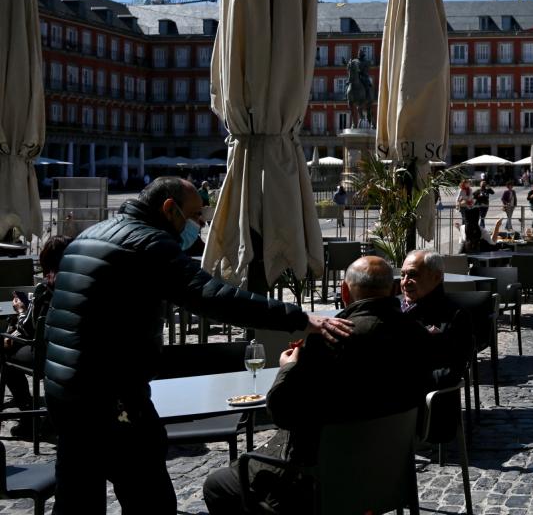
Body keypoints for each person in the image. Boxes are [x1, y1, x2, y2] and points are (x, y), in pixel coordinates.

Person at [44, 177, 353, 514]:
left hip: (63, 389)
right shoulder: (149, 243)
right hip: (112, 396)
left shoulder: (88, 237)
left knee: (76, 496)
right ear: (169, 208)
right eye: (194, 215)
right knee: (150, 498)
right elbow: (213, 297)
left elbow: (58, 320)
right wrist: (299, 318)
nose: (200, 224)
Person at [202, 256, 435, 514]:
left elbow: (282, 413)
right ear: (392, 290)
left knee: (216, 485)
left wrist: (287, 368)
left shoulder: (330, 340)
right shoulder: (418, 335)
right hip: (388, 475)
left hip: (317, 482)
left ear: (344, 292)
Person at [4, 235, 68, 438]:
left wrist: (21, 310)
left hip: (47, 354)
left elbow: (29, 328)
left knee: (6, 352)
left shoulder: (46, 289)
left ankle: (27, 415)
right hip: (72, 353)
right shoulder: (80, 284)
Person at [399, 250, 470, 385]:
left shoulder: (454, 315)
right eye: (402, 275)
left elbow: (452, 371)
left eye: (413, 275)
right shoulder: (393, 306)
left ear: (436, 277)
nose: (405, 282)